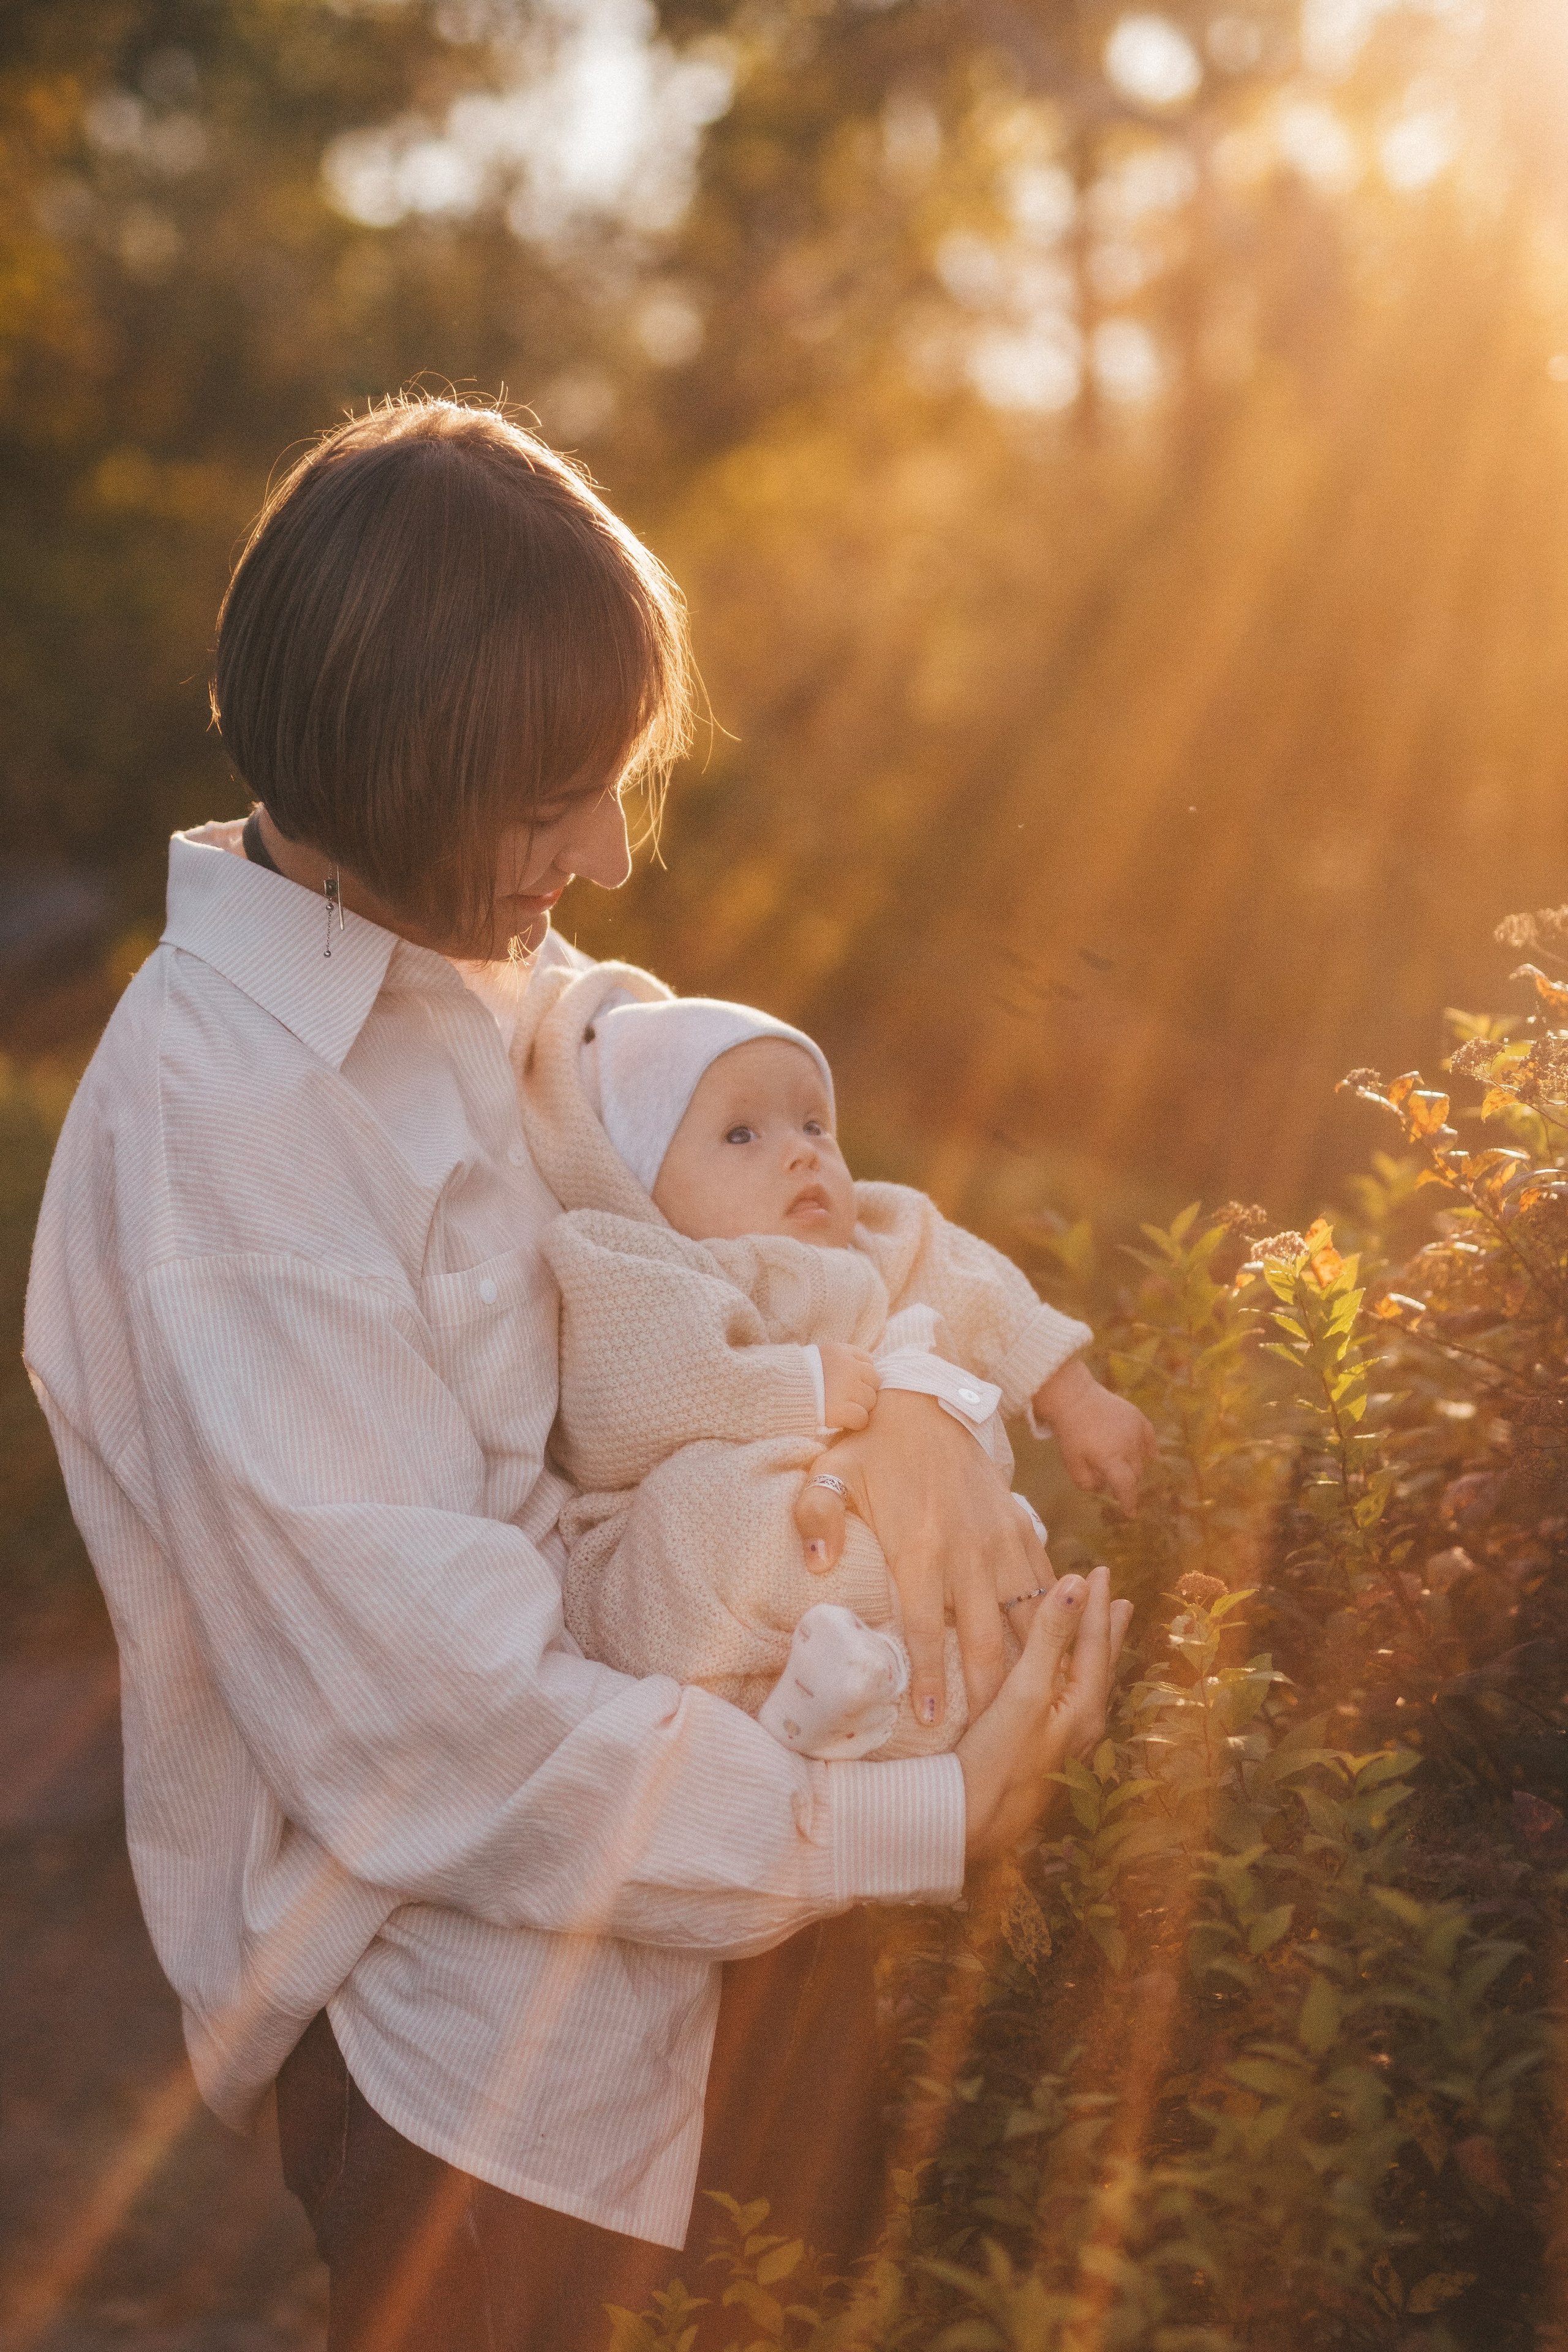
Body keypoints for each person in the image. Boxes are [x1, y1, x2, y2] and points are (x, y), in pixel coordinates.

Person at [23, 394, 1136, 2352]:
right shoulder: (229, 1140)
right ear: (392, 767)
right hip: (490, 2094)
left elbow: (793, 1240)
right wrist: (910, 1824)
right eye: (556, 796)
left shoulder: (491, 979)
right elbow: (437, 1729)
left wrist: (929, 1424)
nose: (610, 859)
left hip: (724, 1929)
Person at [513, 960, 1155, 1761]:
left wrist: (1073, 1393)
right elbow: (624, 1406)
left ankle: (909, 1693)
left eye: (815, 1126)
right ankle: (864, 1671)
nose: (800, 1155)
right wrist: (803, 1387)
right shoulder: (639, 1264)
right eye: (742, 1135)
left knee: (973, 1459)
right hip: (693, 1574)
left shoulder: (878, 1241)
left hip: (860, 1553)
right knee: (693, 1507)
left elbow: (981, 1293)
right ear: (637, 1181)